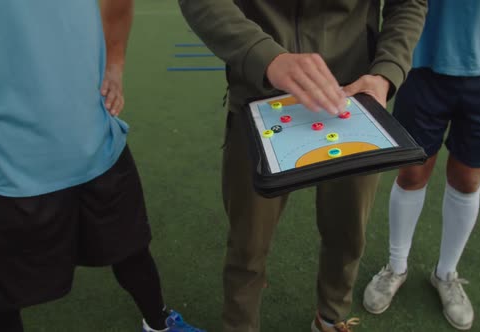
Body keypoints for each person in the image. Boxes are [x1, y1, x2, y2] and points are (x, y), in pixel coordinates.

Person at [178, 1, 427, 331]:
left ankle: (331, 318)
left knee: (347, 233)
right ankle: (239, 325)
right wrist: (265, 55)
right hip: (257, 94)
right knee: (247, 243)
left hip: (351, 97)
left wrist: (385, 72)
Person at [0, 1, 205, 331]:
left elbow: (118, 4)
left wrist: (115, 61)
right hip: (0, 160)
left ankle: (159, 323)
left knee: (132, 249)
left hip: (92, 141)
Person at [362, 1, 480, 330]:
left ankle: (446, 273)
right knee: (412, 169)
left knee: (468, 177)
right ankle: (396, 267)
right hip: (425, 48)